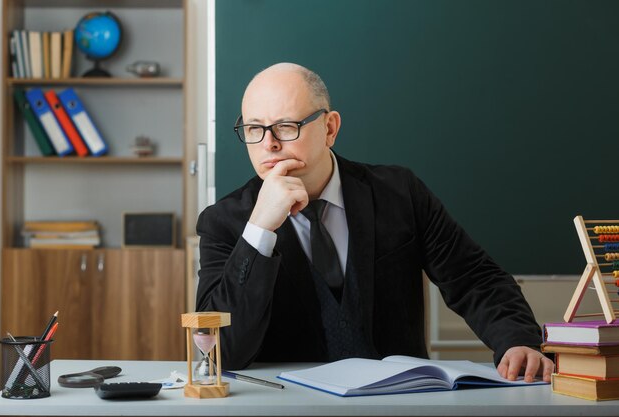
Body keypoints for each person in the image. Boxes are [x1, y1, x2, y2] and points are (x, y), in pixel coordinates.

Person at [196, 62, 554, 382]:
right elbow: (220, 350)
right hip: (285, 405)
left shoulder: (399, 193)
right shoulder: (224, 222)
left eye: (286, 126)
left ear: (330, 128)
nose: (269, 144)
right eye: (254, 129)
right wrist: (259, 229)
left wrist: (517, 340)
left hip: (398, 401)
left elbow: (475, 278)